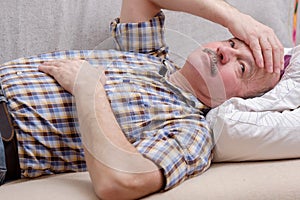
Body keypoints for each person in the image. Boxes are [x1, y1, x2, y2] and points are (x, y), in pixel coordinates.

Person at [0, 0, 282, 199]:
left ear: (240, 101)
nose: (224, 52)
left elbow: (121, 182)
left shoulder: (191, 130)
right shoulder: (150, 57)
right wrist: (237, 19)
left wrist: (89, 90)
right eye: (232, 43)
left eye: (242, 68)